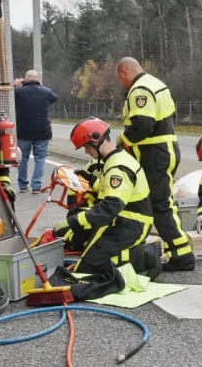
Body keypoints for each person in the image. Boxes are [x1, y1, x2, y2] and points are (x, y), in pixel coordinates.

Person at [53, 117, 160, 281]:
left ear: (97, 140)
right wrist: (89, 178)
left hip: (130, 223)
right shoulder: (114, 159)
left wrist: (73, 221)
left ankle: (145, 257)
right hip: (122, 219)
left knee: (88, 269)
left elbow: (110, 207)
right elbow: (110, 191)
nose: (87, 152)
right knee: (85, 258)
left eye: (87, 147)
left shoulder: (118, 167)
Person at [115, 57, 194, 271]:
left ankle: (182, 255)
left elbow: (142, 125)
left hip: (155, 153)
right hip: (161, 151)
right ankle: (176, 251)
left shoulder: (140, 89)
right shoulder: (155, 83)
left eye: (120, 77)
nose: (120, 82)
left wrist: (123, 141)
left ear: (125, 71)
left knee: (160, 205)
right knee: (157, 203)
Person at [13, 70, 58, 193]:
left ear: (25, 79)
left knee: (22, 158)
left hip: (23, 132)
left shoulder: (17, 92)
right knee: (40, 158)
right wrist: (40, 87)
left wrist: (15, 84)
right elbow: (54, 97)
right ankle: (36, 186)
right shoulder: (46, 92)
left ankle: (22, 185)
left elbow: (6, 95)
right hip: (43, 132)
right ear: (38, 79)